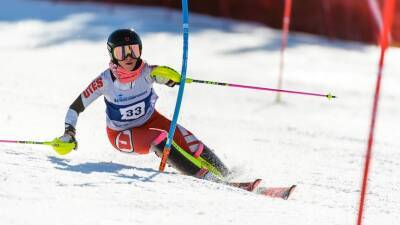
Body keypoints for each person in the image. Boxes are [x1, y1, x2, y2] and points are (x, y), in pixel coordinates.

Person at [57, 28, 229, 181]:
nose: (129, 57)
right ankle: (208, 178)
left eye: (133, 50)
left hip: (151, 120)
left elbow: (167, 75)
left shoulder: (147, 72)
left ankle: (227, 175)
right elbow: (75, 107)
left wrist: (172, 79)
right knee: (159, 138)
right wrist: (69, 132)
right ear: (112, 55)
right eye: (121, 52)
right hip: (121, 133)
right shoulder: (104, 81)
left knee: (190, 142)